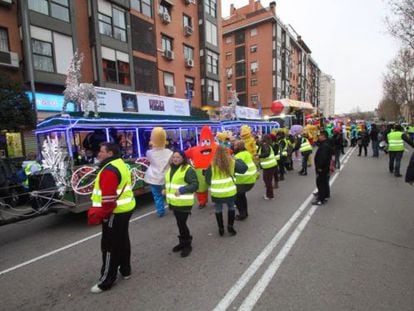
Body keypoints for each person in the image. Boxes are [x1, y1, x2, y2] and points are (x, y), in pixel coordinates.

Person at [87, 143, 136, 293]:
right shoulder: (120, 163)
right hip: (125, 208)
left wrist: (100, 215)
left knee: (109, 246)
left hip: (115, 212)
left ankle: (107, 280)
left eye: (101, 151)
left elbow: (108, 201)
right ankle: (125, 270)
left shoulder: (108, 170)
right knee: (122, 240)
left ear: (110, 153)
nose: (98, 154)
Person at [204, 145, 247, 236]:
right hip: (230, 191)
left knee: (218, 209)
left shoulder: (212, 164)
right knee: (231, 207)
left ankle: (221, 228)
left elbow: (207, 180)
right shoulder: (232, 162)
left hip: (217, 192)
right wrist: (236, 159)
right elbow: (244, 169)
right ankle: (230, 227)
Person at [165, 151, 198, 257]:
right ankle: (183, 242)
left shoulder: (188, 169)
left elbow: (195, 185)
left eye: (178, 157)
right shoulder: (171, 168)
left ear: (183, 158)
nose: (175, 159)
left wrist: (182, 190)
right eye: (173, 157)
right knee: (180, 223)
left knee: (182, 223)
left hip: (184, 202)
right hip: (174, 202)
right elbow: (169, 183)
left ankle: (187, 244)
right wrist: (164, 189)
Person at [144, 127, 173, 217]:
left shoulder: (149, 153)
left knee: (157, 195)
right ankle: (172, 206)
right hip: (166, 176)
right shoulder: (169, 152)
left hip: (153, 177)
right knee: (169, 192)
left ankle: (160, 211)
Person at [233, 140, 257, 220]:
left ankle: (242, 214)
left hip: (243, 180)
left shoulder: (238, 156)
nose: (233, 147)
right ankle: (245, 213)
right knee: (242, 196)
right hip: (251, 179)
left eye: (235, 145)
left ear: (238, 147)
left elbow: (234, 168)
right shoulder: (247, 153)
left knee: (237, 198)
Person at [312, 131, 333, 205]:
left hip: (322, 168)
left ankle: (321, 199)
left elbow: (323, 158)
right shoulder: (325, 143)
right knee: (325, 182)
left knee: (320, 183)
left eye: (320, 136)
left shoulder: (324, 146)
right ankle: (326, 195)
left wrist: (319, 167)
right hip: (325, 167)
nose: (319, 137)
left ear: (323, 136)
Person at [257, 134, 278, 199]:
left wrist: (259, 156)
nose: (260, 139)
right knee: (267, 180)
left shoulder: (265, 145)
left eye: (261, 138)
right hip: (271, 165)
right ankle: (269, 194)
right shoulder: (268, 145)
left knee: (267, 181)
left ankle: (269, 195)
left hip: (269, 166)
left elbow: (267, 154)